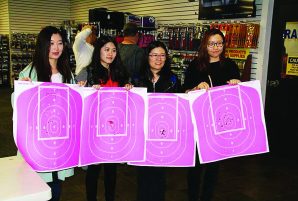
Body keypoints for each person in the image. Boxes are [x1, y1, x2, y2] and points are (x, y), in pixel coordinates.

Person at [18, 26, 75, 201]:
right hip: (37, 142)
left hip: (59, 140)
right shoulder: (30, 72)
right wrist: (23, 90)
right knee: (39, 187)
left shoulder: (66, 73)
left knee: (56, 186)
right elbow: (18, 106)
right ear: (43, 45)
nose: (56, 48)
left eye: (60, 43)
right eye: (51, 43)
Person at [183, 28, 241, 201]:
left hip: (220, 124)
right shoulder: (195, 65)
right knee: (195, 167)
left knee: (213, 166)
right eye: (211, 44)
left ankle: (206, 197)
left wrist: (237, 84)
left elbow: (236, 97)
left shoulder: (230, 65)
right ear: (205, 45)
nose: (216, 47)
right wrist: (195, 88)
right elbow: (185, 92)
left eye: (219, 43)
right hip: (199, 123)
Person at [76, 35, 132, 201]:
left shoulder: (120, 72)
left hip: (114, 130)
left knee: (111, 170)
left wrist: (129, 87)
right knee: (93, 169)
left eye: (114, 50)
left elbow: (127, 101)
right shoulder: (87, 72)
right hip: (94, 129)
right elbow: (78, 100)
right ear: (98, 51)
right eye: (106, 49)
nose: (110, 53)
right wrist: (85, 89)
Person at [134, 41, 182, 201]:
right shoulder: (137, 79)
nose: (158, 59)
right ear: (147, 57)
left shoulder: (173, 80)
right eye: (154, 55)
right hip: (143, 135)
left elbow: (180, 106)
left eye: (162, 55)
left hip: (163, 136)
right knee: (143, 177)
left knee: (160, 176)